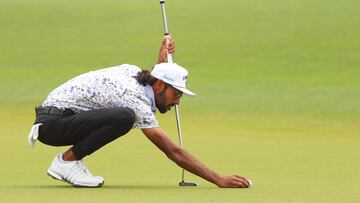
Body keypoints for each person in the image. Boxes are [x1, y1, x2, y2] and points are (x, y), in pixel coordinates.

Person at [27, 36, 251, 188]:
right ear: (161, 86)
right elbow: (173, 151)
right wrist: (218, 179)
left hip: (60, 119)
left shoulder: (135, 74)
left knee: (124, 115)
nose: (177, 103)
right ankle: (67, 161)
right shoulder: (134, 99)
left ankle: (69, 161)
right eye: (177, 95)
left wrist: (162, 59)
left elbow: (153, 79)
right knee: (125, 117)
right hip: (53, 126)